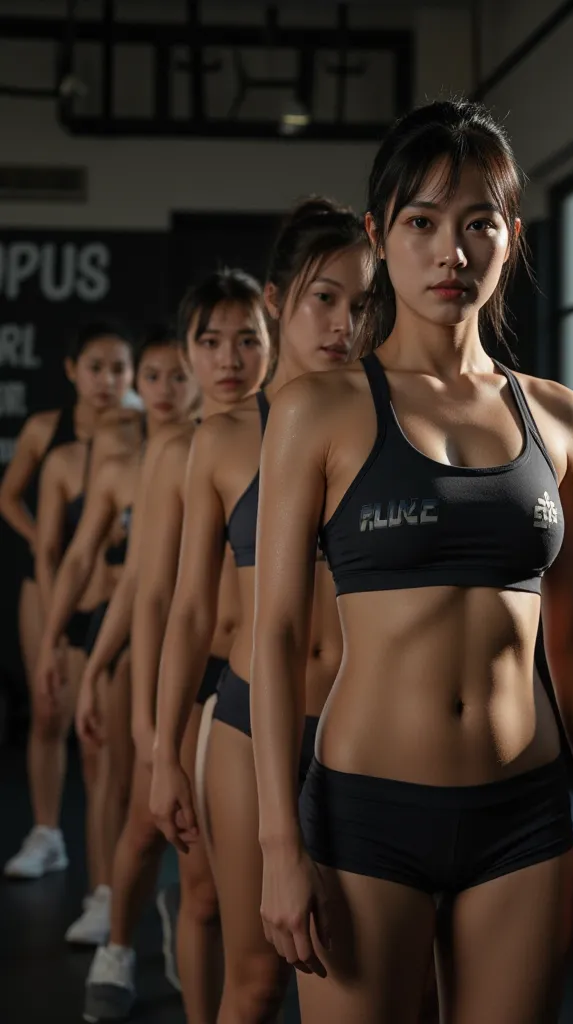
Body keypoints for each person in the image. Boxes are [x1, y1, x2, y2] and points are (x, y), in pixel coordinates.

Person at [249, 100, 573, 1024]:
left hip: (526, 821)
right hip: (363, 821)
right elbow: (273, 636)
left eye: (477, 224)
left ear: (511, 236)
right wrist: (277, 842)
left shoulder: (559, 417)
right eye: (421, 223)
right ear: (380, 236)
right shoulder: (321, 411)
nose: (449, 253)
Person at [150, 197, 370, 1024]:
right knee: (257, 978)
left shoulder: (380, 422)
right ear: (278, 300)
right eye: (324, 299)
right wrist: (164, 750)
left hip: (362, 726)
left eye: (362, 304)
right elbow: (184, 611)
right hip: (245, 724)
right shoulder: (225, 437)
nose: (344, 325)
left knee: (367, 975)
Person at [83, 268, 270, 1024]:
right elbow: (155, 593)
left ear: (271, 344)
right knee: (190, 880)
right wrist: (148, 727)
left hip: (264, 679)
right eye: (211, 343)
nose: (229, 360)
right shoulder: (176, 452)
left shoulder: (302, 427)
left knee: (247, 895)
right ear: (188, 354)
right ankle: (125, 949)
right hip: (192, 678)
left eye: (247, 341)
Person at [33, 326, 196, 944]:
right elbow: (78, 558)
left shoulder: (213, 447)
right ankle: (107, 896)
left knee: (179, 777)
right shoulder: (119, 461)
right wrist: (53, 640)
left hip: (193, 628)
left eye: (176, 376)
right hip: (125, 625)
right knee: (111, 772)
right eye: (151, 377)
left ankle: (181, 907)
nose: (163, 390)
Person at [3, 322, 135, 882]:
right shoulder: (46, 432)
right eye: (95, 368)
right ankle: (46, 831)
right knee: (48, 712)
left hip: (109, 596)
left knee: (96, 733)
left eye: (118, 369)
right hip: (50, 589)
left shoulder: (139, 431)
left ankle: (106, 878)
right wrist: (43, 542)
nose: (106, 380)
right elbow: (9, 497)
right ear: (72, 370)